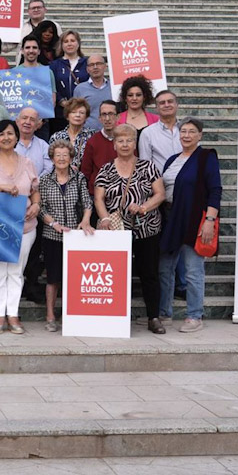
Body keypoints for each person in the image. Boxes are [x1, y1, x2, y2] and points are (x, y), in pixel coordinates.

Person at [94, 124, 166, 334]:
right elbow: (99, 198)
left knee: (149, 274)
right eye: (120, 141)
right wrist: (105, 218)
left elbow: (160, 194)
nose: (125, 144)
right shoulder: (106, 169)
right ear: (114, 145)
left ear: (135, 143)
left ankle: (154, 316)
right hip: (117, 232)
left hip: (147, 229)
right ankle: (114, 316)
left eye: (129, 140)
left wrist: (144, 207)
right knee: (115, 274)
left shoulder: (148, 166)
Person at [0, 120, 40, 335]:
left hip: (24, 225)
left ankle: (12, 314)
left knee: (16, 270)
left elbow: (34, 190)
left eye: (10, 133)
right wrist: (0, 187)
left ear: (16, 137)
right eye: (2, 134)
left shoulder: (28, 163)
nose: (6, 137)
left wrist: (37, 205)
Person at [159, 118, 221, 334]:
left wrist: (209, 221)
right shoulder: (172, 160)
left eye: (191, 132)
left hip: (194, 219)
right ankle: (164, 314)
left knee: (193, 271)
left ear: (200, 135)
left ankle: (195, 315)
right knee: (165, 269)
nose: (186, 135)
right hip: (169, 218)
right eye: (183, 131)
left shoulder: (206, 158)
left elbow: (215, 190)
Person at [37, 140, 94, 331]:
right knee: (53, 277)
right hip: (52, 235)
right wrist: (53, 223)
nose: (61, 159)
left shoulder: (78, 177)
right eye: (57, 155)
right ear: (52, 158)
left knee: (75, 278)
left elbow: (87, 202)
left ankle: (73, 314)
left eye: (65, 155)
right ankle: (51, 316)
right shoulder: (44, 180)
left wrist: (85, 220)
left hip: (76, 236)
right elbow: (40, 208)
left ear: (71, 158)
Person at [15, 106, 53, 303]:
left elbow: (49, 170)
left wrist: (32, 185)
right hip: (12, 202)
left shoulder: (44, 146)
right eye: (24, 118)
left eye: (32, 119)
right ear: (17, 121)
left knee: (34, 248)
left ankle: (30, 284)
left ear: (39, 125)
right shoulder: (7, 143)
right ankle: (14, 285)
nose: (28, 122)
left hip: (36, 202)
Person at [49, 29, 88, 134]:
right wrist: (62, 101)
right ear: (61, 45)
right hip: (60, 113)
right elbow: (51, 86)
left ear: (78, 43)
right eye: (66, 41)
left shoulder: (87, 63)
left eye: (72, 40)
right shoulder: (54, 65)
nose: (69, 43)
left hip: (82, 113)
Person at [80, 100, 120, 192]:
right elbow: (85, 173)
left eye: (111, 114)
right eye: (104, 114)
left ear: (118, 117)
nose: (107, 118)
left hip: (121, 192)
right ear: (99, 118)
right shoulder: (92, 142)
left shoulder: (125, 140)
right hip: (97, 192)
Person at [138, 90, 181, 172]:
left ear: (177, 105)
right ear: (156, 108)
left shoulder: (187, 130)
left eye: (170, 101)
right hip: (161, 183)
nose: (167, 105)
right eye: (162, 103)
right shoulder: (148, 133)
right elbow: (145, 166)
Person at [50, 97, 96, 172]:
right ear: (67, 116)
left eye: (81, 113)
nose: (77, 115)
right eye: (73, 112)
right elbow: (51, 161)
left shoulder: (92, 136)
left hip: (85, 178)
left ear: (86, 117)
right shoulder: (56, 137)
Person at [72, 55, 112, 131]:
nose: (95, 67)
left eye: (99, 63)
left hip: (111, 134)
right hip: (87, 134)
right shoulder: (80, 89)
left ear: (105, 66)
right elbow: (76, 114)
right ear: (87, 69)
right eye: (91, 65)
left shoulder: (113, 88)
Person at [117, 74, 160, 138]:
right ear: (125, 98)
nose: (134, 98)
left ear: (144, 97)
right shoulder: (117, 119)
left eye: (138, 95)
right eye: (130, 95)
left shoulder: (156, 119)